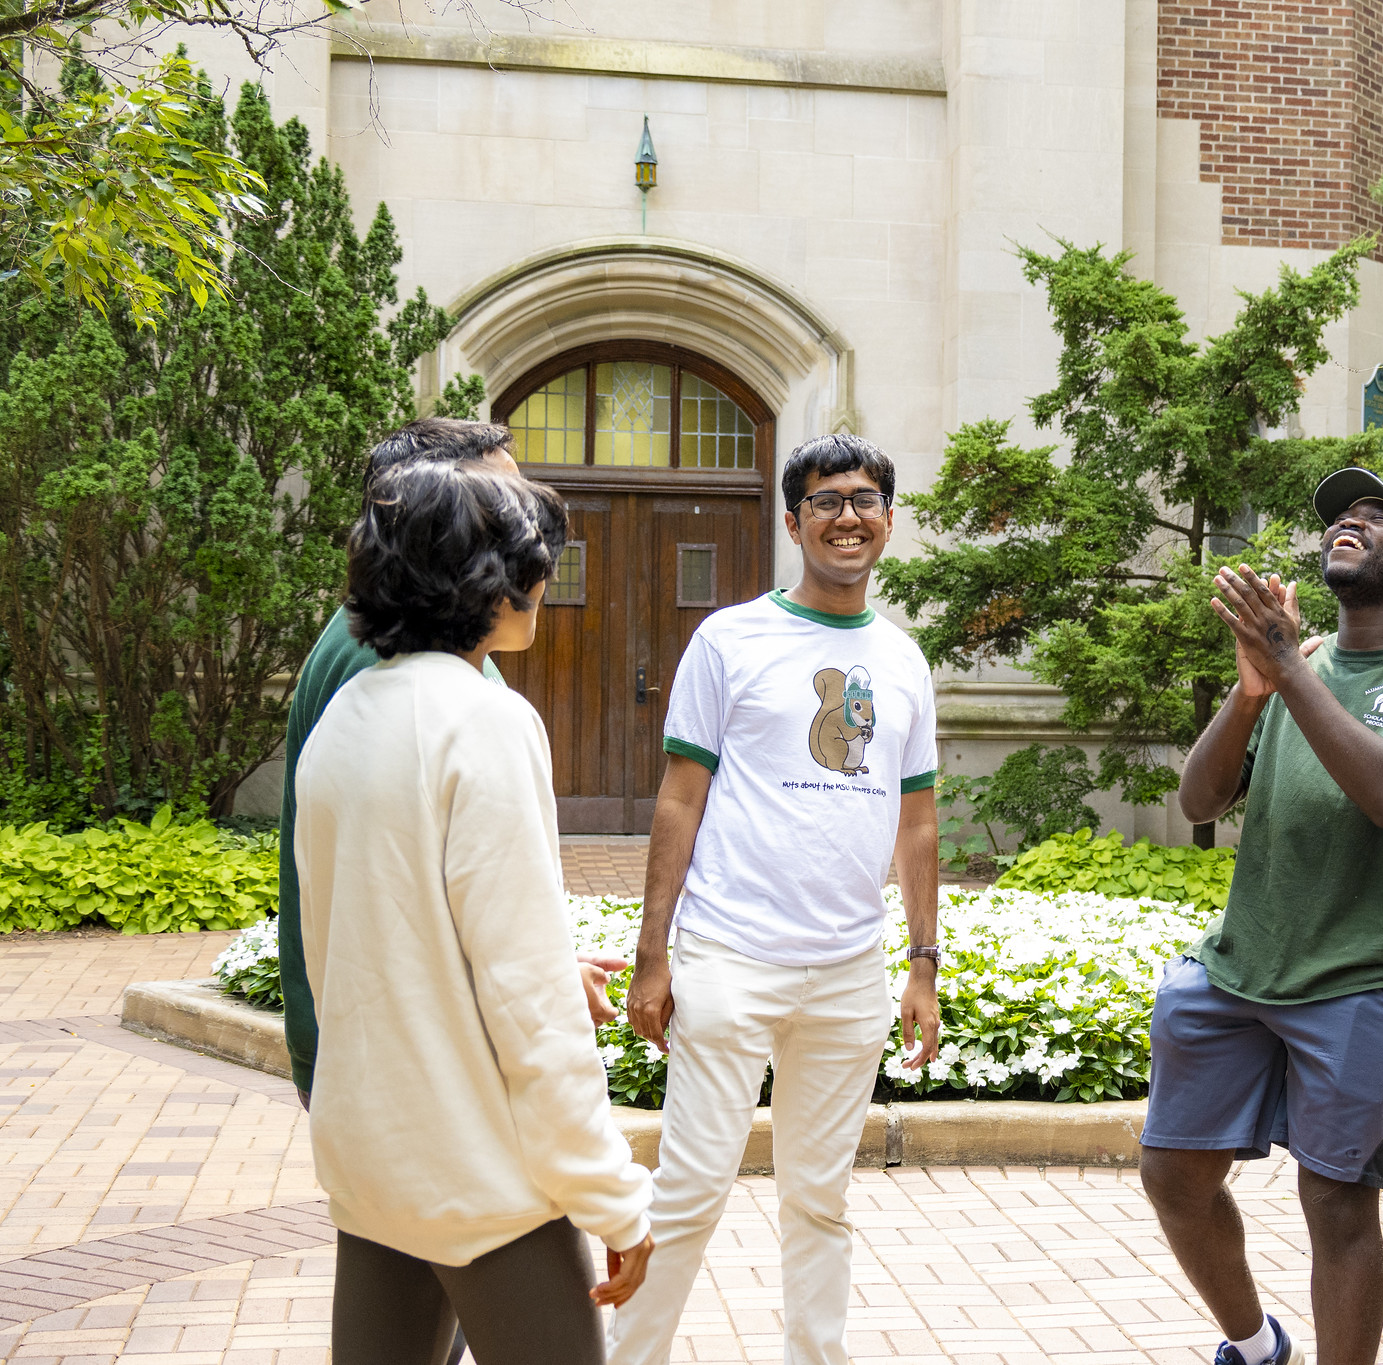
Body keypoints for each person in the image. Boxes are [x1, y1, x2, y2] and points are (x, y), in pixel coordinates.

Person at [296, 460, 654, 1365]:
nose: (540, 576)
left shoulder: (346, 717)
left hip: (374, 1160)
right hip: (483, 1176)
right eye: (524, 556)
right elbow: (531, 1001)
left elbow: (340, 953)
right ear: (479, 581)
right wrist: (614, 1198)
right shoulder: (484, 720)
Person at [1148, 467, 1383, 1365]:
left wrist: (1290, 671)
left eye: (1377, 519)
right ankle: (1257, 1344)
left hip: (1359, 975)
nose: (1350, 519)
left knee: (1336, 1200)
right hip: (1239, 965)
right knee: (1173, 1172)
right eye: (1345, 515)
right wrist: (1254, 689)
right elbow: (1199, 800)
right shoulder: (1293, 670)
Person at [609, 433, 943, 1365]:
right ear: (793, 521)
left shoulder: (904, 660)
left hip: (848, 972)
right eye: (828, 499)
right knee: (690, 1190)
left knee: (821, 1198)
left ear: (887, 519)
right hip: (729, 956)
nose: (849, 514)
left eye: (867, 498)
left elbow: (917, 822)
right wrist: (654, 950)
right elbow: (681, 796)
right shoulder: (730, 638)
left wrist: (922, 963)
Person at [278, 418, 625, 1104]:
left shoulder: (398, 655)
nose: (524, 521)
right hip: (415, 1075)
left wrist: (543, 967)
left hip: (382, 1058)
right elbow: (392, 898)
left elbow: (427, 891)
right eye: (502, 499)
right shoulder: (405, 671)